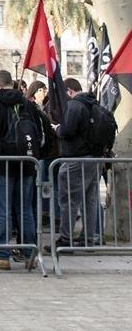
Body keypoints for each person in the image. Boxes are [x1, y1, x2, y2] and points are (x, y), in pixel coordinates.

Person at [0, 70, 50, 271]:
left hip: (1, 164)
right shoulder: (28, 104)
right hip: (26, 163)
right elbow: (39, 133)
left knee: (2, 209)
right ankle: (29, 254)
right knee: (25, 209)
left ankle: (2, 254)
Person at [55, 78, 102, 248]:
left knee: (70, 200)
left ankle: (66, 239)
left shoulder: (75, 105)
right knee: (90, 200)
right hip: (94, 158)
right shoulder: (93, 103)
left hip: (76, 158)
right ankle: (88, 239)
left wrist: (57, 129)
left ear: (69, 91)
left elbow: (67, 130)